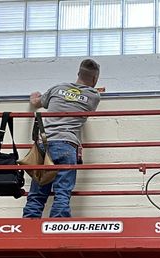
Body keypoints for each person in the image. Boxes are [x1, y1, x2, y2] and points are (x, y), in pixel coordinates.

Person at [22, 58, 101, 218]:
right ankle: (58, 226)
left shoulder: (57, 88)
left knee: (37, 193)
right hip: (66, 145)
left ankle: (28, 224)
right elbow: (85, 98)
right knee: (62, 192)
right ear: (94, 79)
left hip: (45, 144)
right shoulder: (93, 96)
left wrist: (34, 96)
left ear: (78, 73)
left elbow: (36, 102)